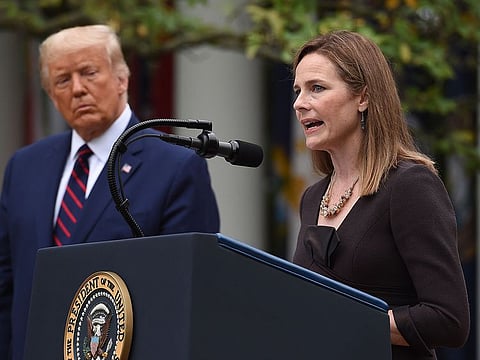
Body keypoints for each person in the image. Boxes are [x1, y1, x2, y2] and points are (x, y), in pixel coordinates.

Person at [0, 24, 220, 360]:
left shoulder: (174, 167)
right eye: (62, 80)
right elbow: (6, 284)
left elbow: (190, 294)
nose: (77, 89)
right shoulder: (24, 167)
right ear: (49, 92)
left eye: (89, 73)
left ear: (122, 79)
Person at [291, 30, 470, 360]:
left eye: (317, 88)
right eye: (298, 90)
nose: (300, 103)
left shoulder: (410, 185)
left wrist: (349, 319)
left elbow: (449, 319)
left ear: (363, 97)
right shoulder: (312, 198)